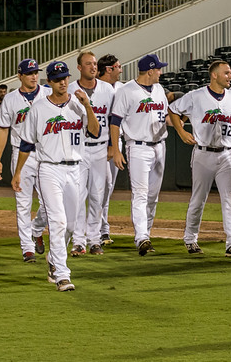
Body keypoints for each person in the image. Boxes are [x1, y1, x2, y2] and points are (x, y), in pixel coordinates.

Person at [12, 61, 101, 292]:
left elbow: (95, 131)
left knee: (71, 226)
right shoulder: (39, 108)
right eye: (58, 78)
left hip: (75, 169)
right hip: (49, 169)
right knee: (59, 222)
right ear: (49, 82)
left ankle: (53, 258)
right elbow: (26, 143)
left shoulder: (79, 104)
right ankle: (62, 274)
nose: (63, 82)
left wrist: (88, 106)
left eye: (65, 77)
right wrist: (19, 172)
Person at [170, 60, 231, 259]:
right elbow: (172, 109)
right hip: (203, 153)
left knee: (230, 199)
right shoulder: (196, 96)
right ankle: (190, 238)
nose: (230, 76)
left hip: (226, 153)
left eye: (230, 72)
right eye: (226, 73)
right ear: (214, 75)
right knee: (198, 198)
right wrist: (180, 131)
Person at [110, 54, 170, 256]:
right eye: (158, 69)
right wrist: (116, 149)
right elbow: (115, 122)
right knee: (140, 194)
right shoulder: (127, 91)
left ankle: (147, 234)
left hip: (160, 146)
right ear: (150, 70)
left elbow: (166, 116)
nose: (161, 72)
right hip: (137, 147)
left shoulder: (159, 90)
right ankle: (141, 238)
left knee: (152, 197)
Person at [0, 58, 49, 263]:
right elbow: (2, 129)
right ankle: (27, 249)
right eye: (29, 73)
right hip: (20, 154)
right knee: (23, 203)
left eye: (36, 72)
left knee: (49, 203)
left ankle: (35, 229)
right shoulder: (10, 99)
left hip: (46, 153)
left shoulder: (47, 93)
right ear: (20, 76)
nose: (34, 76)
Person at [68, 51, 115, 256]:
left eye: (95, 64)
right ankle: (78, 241)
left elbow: (114, 120)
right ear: (79, 68)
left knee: (98, 195)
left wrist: (114, 146)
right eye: (88, 64)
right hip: (78, 149)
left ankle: (94, 239)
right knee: (78, 196)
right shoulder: (70, 90)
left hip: (101, 148)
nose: (93, 67)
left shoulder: (108, 89)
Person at [96, 53, 123, 245]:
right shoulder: (93, 88)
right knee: (99, 187)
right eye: (118, 66)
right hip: (95, 145)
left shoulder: (121, 88)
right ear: (109, 69)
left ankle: (102, 229)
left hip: (115, 142)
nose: (121, 70)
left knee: (107, 188)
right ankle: (97, 229)